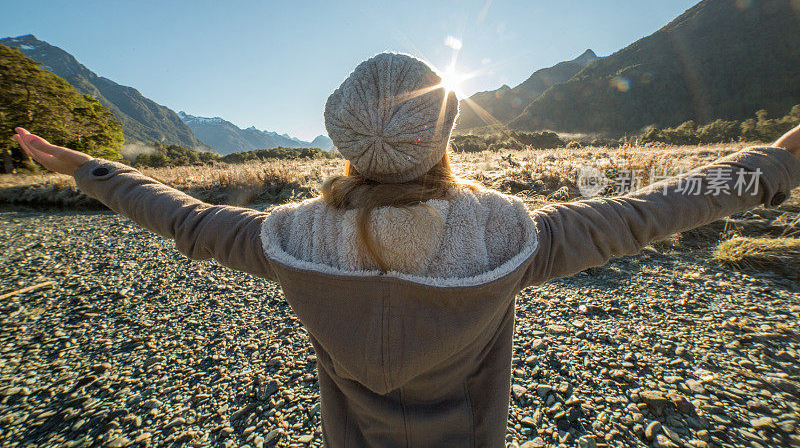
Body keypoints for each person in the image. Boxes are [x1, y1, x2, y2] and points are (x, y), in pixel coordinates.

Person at [13, 52, 800, 447]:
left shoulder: (290, 237)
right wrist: (774, 163)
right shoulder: (508, 235)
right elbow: (647, 210)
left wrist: (88, 168)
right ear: (443, 136)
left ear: (345, 144)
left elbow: (183, 215)